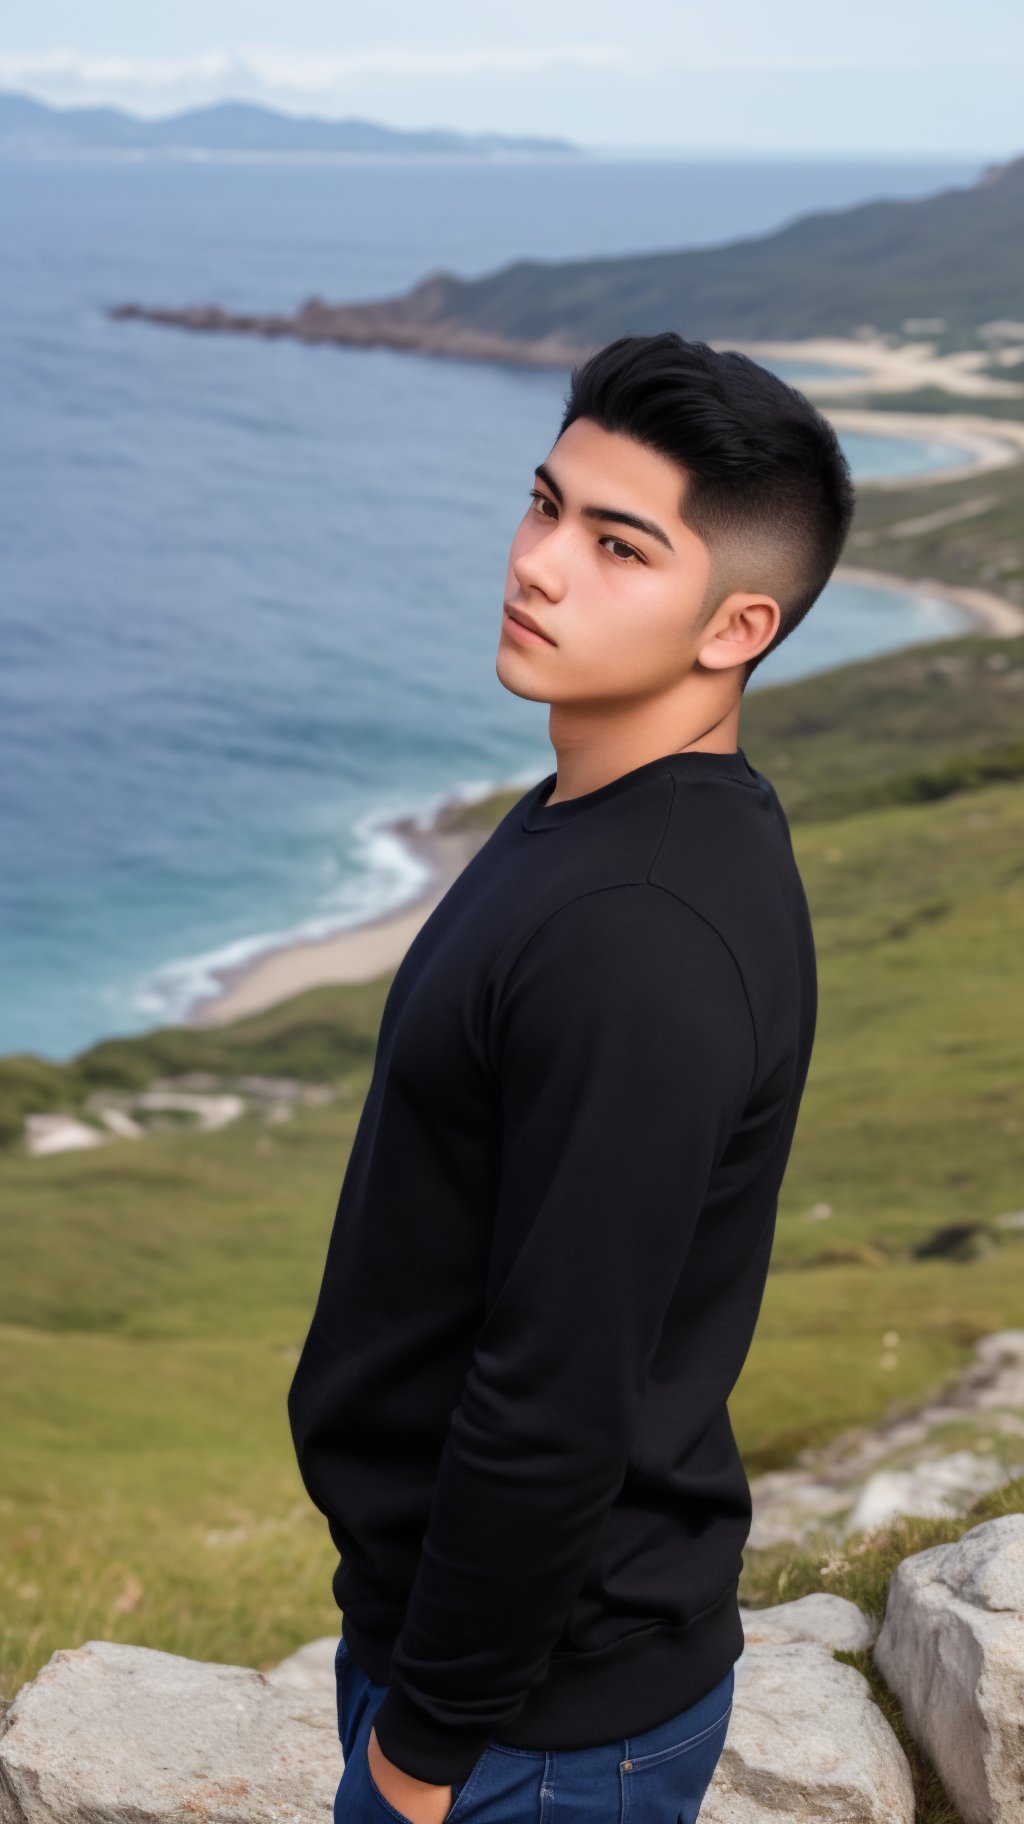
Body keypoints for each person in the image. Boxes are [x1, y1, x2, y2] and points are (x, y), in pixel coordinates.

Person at [287, 331, 855, 1823]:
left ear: (736, 624)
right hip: (485, 1675)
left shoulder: (639, 940)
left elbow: (559, 1396)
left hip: (527, 1731)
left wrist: (424, 1753)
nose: (539, 564)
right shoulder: (604, 813)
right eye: (546, 506)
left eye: (616, 545)